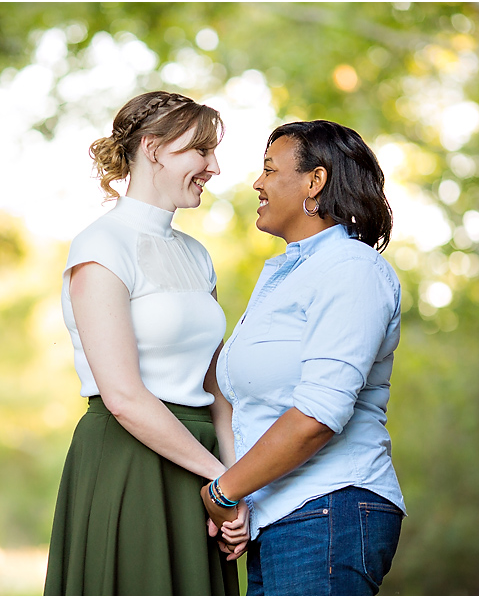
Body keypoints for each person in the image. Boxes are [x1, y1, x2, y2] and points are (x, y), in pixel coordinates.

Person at [44, 91, 247, 596]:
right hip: (128, 462)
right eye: (201, 151)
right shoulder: (101, 247)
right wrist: (220, 480)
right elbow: (123, 396)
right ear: (155, 149)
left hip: (202, 467)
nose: (214, 166)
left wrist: (236, 488)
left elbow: (216, 387)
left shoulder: (198, 255)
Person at [201, 120, 406, 595]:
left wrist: (223, 490)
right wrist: (241, 498)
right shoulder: (287, 274)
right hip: (282, 516)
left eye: (270, 170)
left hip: (330, 509)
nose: (257, 183)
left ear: (315, 182)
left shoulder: (352, 270)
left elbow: (317, 415)